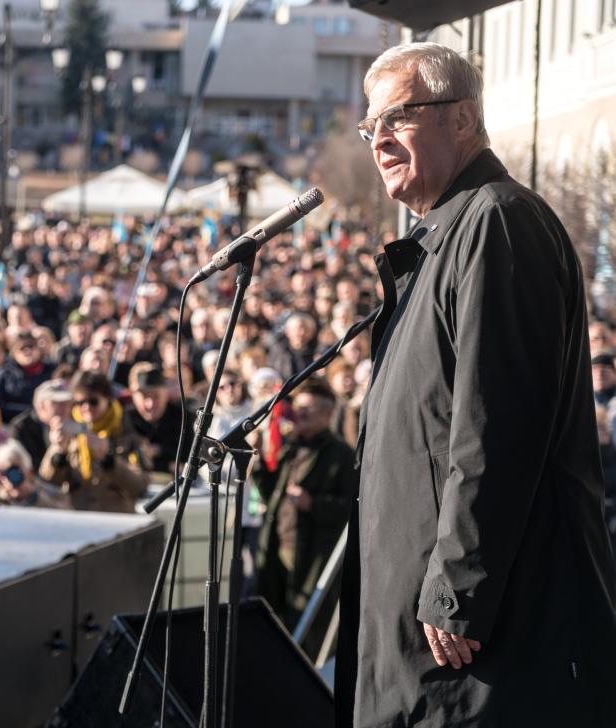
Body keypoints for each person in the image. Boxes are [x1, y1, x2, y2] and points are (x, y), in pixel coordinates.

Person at [336, 42, 616, 727]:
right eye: (372, 128)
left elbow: (497, 425)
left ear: (462, 120)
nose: (380, 142)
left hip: (480, 651)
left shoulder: (494, 221)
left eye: (398, 118)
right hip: (434, 641)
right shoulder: (444, 236)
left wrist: (459, 591)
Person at [253, 378, 356, 635]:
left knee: (306, 628)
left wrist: (314, 504)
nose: (300, 413)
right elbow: (270, 494)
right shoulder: (292, 448)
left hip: (311, 556)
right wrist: (256, 460)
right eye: (299, 407)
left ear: (327, 413)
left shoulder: (341, 454)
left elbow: (352, 509)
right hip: (278, 549)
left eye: (308, 408)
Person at [40, 371, 148, 514]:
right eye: (80, 402)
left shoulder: (128, 431)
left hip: (117, 521)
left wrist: (108, 460)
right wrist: (58, 451)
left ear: (107, 399)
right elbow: (48, 484)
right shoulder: (70, 432)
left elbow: (140, 487)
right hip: (78, 520)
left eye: (93, 401)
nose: (86, 408)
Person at [0, 440, 70, 518]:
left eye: (13, 470)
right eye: (0, 473)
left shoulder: (52, 494)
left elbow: (67, 520)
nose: (8, 478)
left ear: (29, 472)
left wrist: (33, 498)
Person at [7, 379, 74, 470]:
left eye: (67, 403)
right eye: (56, 403)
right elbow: (31, 469)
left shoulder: (75, 423)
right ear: (40, 406)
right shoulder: (21, 428)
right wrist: (56, 447)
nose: (64, 408)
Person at [0, 333, 56, 422]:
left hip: (50, 420)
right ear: (14, 353)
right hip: (15, 423)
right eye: (22, 348)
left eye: (30, 346)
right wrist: (30, 411)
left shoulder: (52, 370)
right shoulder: (3, 375)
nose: (27, 351)